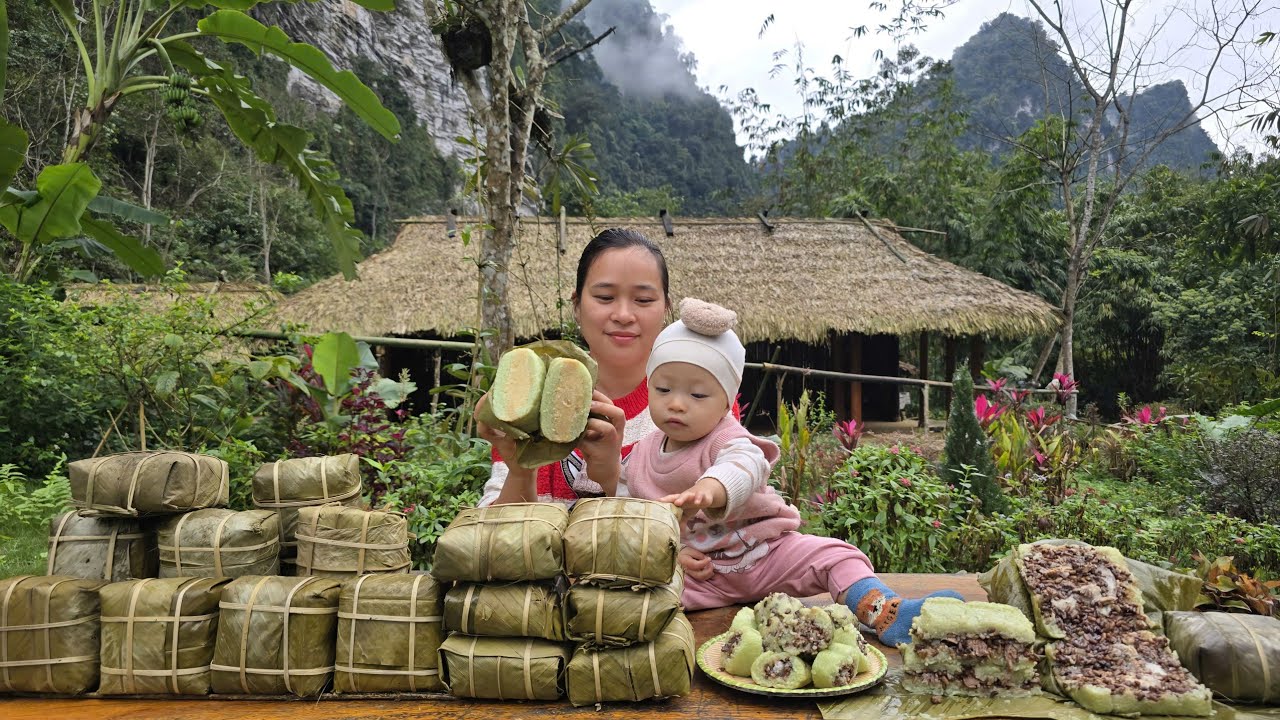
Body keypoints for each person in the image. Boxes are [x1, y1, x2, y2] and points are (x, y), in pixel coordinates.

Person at [619, 298, 963, 646]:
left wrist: (712, 487)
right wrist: (673, 556)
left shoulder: (727, 437)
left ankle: (884, 611)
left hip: (769, 554)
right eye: (663, 389)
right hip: (702, 577)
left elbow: (746, 464)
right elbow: (632, 516)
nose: (676, 402)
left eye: (697, 393)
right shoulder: (641, 454)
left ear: (726, 403)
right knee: (640, 593)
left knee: (835, 556)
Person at [475, 227, 670, 507]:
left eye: (643, 300)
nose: (624, 315)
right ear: (577, 305)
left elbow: (704, 535)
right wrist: (521, 469)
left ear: (666, 308)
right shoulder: (529, 400)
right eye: (605, 297)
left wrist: (613, 476)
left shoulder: (700, 402)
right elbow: (494, 541)